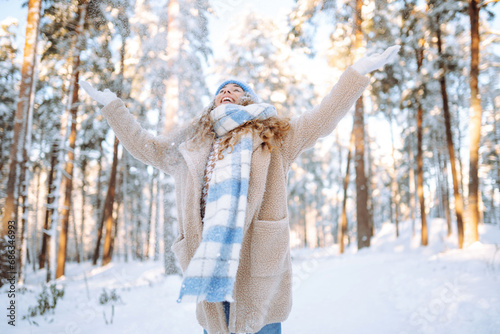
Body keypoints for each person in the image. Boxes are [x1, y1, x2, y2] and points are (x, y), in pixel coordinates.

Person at [80, 45, 400, 334]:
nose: (228, 93)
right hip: (210, 272)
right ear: (214, 102)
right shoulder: (189, 148)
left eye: (237, 90)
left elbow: (322, 118)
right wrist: (113, 108)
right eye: (222, 91)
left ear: (249, 100)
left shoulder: (275, 140)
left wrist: (355, 75)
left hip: (257, 272)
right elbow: (144, 145)